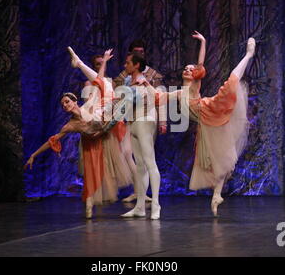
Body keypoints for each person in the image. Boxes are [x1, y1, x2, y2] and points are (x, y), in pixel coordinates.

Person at [145, 32, 254, 216]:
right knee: (219, 161)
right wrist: (145, 83)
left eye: (190, 69)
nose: (188, 70)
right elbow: (159, 98)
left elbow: (200, 64)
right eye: (185, 69)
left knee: (231, 84)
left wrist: (203, 42)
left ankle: (248, 55)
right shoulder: (180, 92)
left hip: (208, 109)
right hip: (205, 124)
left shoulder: (194, 86)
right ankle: (217, 195)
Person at [25, 49, 132, 219]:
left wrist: (104, 61)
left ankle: (79, 63)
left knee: (104, 85)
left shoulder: (88, 105)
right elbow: (52, 140)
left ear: (75, 100)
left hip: (105, 129)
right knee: (91, 175)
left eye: (67, 101)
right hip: (91, 143)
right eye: (63, 105)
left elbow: (99, 82)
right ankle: (89, 204)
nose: (65, 105)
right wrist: (33, 155)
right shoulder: (70, 125)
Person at [84, 54, 151, 203]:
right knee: (104, 160)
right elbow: (90, 104)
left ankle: (140, 192)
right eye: (97, 64)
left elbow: (118, 100)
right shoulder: (89, 84)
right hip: (100, 123)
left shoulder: (109, 82)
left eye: (103, 63)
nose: (101, 66)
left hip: (116, 122)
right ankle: (99, 194)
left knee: (127, 156)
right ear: (93, 67)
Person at [119, 52, 163, 220]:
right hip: (133, 122)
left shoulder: (147, 79)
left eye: (127, 62)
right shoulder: (128, 81)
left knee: (150, 163)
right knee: (140, 166)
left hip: (145, 120)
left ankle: (156, 205)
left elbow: (157, 98)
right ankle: (139, 207)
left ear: (136, 65)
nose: (125, 65)